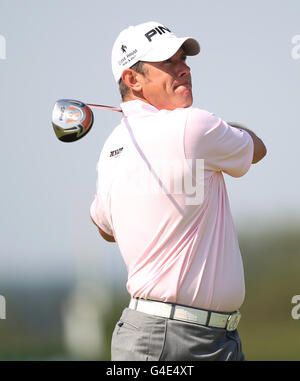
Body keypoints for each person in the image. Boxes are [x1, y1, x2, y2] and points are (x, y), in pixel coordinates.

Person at [90, 21, 267, 361]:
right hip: (167, 341)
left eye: (183, 59)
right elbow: (256, 149)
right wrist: (223, 130)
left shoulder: (112, 147)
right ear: (132, 80)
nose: (184, 68)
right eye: (168, 62)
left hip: (206, 339)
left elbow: (103, 227)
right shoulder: (194, 126)